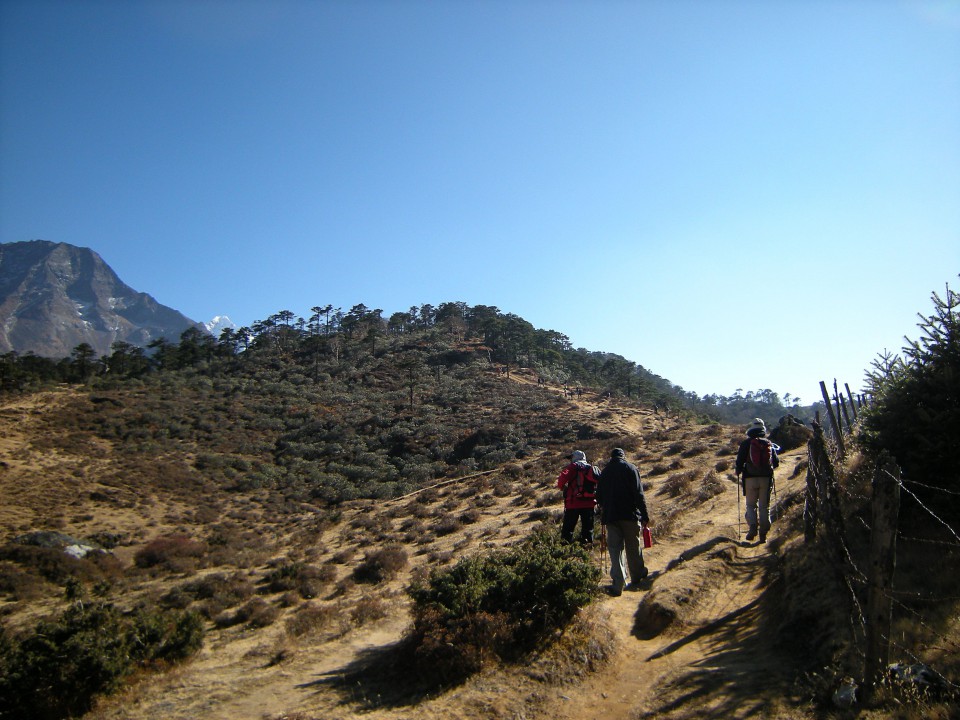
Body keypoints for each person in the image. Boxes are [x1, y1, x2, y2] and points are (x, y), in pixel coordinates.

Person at [596, 447, 650, 596]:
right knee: (633, 546)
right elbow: (639, 494)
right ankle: (637, 576)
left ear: (611, 457)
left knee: (615, 549)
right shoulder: (631, 468)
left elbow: (599, 497)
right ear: (623, 456)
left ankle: (618, 583)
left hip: (611, 517)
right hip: (630, 515)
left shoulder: (605, 472)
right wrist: (644, 515)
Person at [735, 418, 781, 543]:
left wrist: (738, 470)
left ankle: (753, 526)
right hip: (766, 479)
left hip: (749, 478)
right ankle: (763, 534)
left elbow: (739, 462)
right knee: (764, 507)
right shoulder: (768, 443)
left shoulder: (746, 443)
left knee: (750, 505)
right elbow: (776, 463)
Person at [557, 450, 598, 544]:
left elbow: (561, 481)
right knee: (588, 529)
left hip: (573, 503)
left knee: (568, 529)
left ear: (574, 458)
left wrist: (563, 488)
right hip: (589, 502)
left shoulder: (572, 467)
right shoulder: (591, 468)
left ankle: (564, 548)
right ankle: (587, 548)